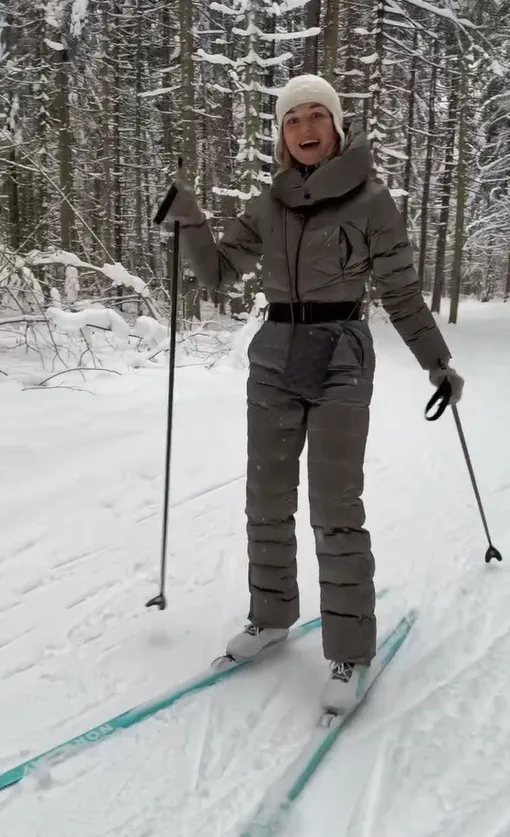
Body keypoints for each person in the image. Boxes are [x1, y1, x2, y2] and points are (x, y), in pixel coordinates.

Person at [165, 74, 464, 714]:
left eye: (315, 117)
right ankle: (272, 616)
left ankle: (350, 650)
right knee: (265, 497)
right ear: (282, 134)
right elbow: (219, 275)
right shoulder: (268, 204)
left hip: (341, 354)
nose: (305, 129)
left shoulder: (370, 201)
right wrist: (189, 221)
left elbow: (404, 293)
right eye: (292, 119)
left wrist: (437, 362)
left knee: (334, 504)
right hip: (274, 353)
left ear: (336, 127)